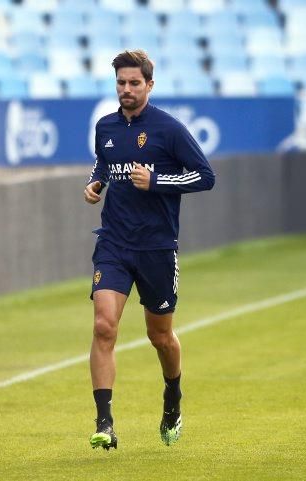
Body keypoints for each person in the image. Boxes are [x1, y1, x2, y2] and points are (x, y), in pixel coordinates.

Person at [83, 50, 215, 450]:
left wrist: (157, 180)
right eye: (121, 83)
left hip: (157, 247)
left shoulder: (168, 129)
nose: (126, 89)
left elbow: (205, 176)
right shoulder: (105, 127)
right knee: (104, 326)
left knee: (161, 337)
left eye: (134, 83)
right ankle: (104, 422)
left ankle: (173, 396)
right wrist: (95, 185)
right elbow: (104, 165)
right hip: (115, 243)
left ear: (149, 85)